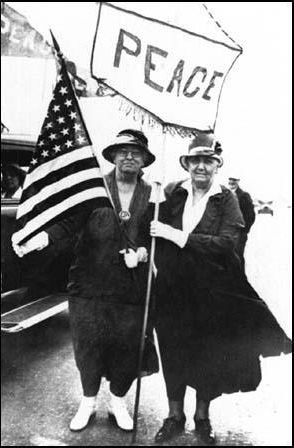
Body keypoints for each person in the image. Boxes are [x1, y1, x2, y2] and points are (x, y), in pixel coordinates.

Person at [144, 133, 291, 444]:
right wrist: (153, 205)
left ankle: (201, 417)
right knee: (172, 351)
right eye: (195, 161)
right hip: (171, 290)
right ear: (186, 164)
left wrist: (178, 236)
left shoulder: (228, 200)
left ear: (216, 166)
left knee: (205, 354)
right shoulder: (174, 194)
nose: (200, 167)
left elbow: (226, 245)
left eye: (207, 162)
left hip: (210, 293)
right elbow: (153, 231)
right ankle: (174, 415)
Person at [12, 129, 159, 432]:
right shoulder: (92, 189)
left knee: (127, 347)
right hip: (88, 284)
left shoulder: (153, 194)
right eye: (123, 151)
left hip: (131, 287)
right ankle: (88, 401)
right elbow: (68, 224)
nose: (129, 156)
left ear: (144, 159)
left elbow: (153, 238)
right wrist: (40, 239)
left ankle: (118, 401)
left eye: (136, 152)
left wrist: (142, 254)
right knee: (87, 344)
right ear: (113, 156)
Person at [228, 175, 255, 268]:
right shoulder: (225, 194)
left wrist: (244, 230)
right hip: (226, 232)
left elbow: (251, 215)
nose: (231, 182)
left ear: (238, 181)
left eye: (234, 180)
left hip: (239, 233)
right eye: (230, 179)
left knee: (238, 256)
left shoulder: (244, 196)